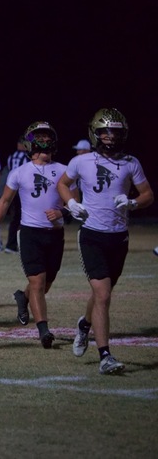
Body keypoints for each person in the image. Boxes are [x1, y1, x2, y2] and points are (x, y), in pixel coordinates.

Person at [57, 108, 153, 375]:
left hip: (119, 237)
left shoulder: (131, 162)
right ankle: (105, 356)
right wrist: (72, 203)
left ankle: (84, 324)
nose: (110, 137)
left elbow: (148, 194)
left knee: (102, 294)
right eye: (105, 132)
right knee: (103, 294)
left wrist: (133, 202)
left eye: (115, 132)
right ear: (95, 133)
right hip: (92, 235)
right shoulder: (82, 161)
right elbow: (63, 184)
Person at [0, 121, 67, 349]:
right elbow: (4, 201)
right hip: (30, 232)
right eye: (41, 137)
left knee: (46, 283)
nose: (46, 141)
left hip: (55, 233)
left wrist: (62, 211)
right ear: (31, 142)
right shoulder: (19, 172)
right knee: (38, 282)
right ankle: (43, 330)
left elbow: (75, 202)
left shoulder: (63, 170)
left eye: (48, 137)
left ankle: (23, 296)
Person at [0, 136, 30, 253]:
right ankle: (19, 244)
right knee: (25, 218)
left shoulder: (11, 157)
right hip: (24, 191)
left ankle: (11, 244)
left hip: (13, 190)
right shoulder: (28, 156)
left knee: (15, 218)